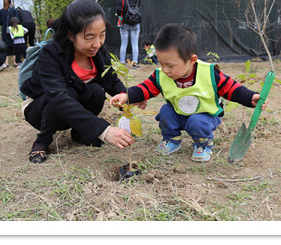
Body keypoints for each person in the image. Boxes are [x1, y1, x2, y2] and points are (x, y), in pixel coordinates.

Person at [110, 24, 265, 163]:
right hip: (178, 113)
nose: (165, 70)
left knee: (197, 122)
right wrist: (126, 95)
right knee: (165, 112)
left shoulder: (209, 73)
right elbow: (145, 88)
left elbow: (232, 88)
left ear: (192, 60)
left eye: (170, 65)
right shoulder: (162, 75)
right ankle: (172, 139)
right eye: (161, 63)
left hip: (205, 116)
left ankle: (203, 144)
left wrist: (250, 97)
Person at [20, 0, 134, 164]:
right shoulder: (51, 55)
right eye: (89, 37)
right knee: (68, 93)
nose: (97, 43)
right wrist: (103, 130)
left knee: (96, 91)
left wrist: (128, 97)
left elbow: (110, 80)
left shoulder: (99, 52)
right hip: (41, 108)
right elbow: (58, 98)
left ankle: (80, 132)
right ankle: (42, 141)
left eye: (102, 35)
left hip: (73, 102)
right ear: (70, 35)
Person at [117, 0, 142, 68]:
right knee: (135, 44)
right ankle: (135, 63)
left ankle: (122, 63)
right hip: (135, 23)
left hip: (125, 23)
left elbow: (118, 11)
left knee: (124, 43)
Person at [0, 0, 18, 67]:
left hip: (5, 30)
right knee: (14, 44)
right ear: (10, 3)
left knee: (5, 45)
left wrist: (3, 23)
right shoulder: (14, 10)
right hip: (13, 29)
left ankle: (7, 62)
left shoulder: (1, 11)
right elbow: (17, 19)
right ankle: (15, 62)